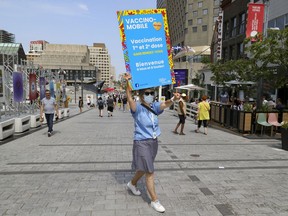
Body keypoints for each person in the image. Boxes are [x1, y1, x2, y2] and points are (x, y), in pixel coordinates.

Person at [124, 73, 180, 213]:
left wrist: (173, 98)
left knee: (143, 169)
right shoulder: (137, 108)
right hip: (141, 142)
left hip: (153, 142)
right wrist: (128, 82)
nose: (150, 95)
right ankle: (155, 200)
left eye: (152, 93)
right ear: (142, 95)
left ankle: (132, 184)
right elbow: (129, 97)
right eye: (148, 93)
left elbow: (164, 104)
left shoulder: (154, 106)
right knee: (150, 171)